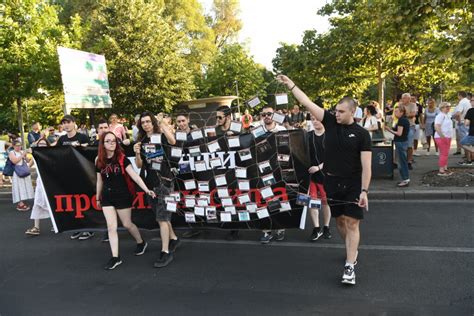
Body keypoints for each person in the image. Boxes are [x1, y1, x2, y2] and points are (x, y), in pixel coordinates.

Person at [277, 75, 371, 286]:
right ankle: (351, 248)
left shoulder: (362, 134)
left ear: (352, 112)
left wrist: (364, 191)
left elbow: (367, 166)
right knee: (340, 222)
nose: (336, 114)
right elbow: (307, 102)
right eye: (335, 111)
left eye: (341, 111)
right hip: (332, 181)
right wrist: (291, 83)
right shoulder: (329, 121)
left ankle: (349, 266)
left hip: (354, 183)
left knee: (352, 222)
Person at [96, 131, 156, 270]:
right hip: (107, 197)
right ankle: (115, 257)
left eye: (113, 140)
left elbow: (135, 176)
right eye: (108, 141)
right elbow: (99, 180)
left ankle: (140, 242)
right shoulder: (98, 160)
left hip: (123, 196)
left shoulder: (122, 159)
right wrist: (98, 196)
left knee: (127, 224)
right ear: (102, 144)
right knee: (111, 227)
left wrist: (147, 190)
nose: (111, 143)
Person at [133, 111, 179, 268]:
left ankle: (165, 252)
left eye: (148, 121)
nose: (146, 124)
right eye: (143, 122)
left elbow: (173, 141)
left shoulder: (161, 135)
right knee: (161, 215)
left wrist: (162, 125)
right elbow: (139, 165)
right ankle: (173, 238)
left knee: (162, 218)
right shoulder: (142, 140)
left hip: (165, 181)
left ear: (153, 122)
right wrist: (137, 153)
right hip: (151, 183)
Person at [56, 115, 94, 240]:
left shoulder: (82, 137)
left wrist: (81, 147)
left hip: (82, 173)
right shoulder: (62, 139)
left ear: (74, 123)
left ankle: (88, 229)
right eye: (64, 123)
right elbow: (56, 154)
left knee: (84, 201)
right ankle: (79, 227)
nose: (66, 125)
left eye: (68, 122)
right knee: (73, 201)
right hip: (69, 174)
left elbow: (89, 153)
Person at [258, 105, 287, 244]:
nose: (266, 117)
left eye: (269, 114)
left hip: (279, 170)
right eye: (263, 115)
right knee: (264, 199)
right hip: (262, 171)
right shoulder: (256, 131)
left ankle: (280, 227)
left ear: (274, 114)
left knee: (279, 198)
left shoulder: (282, 130)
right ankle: (266, 230)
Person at [214, 106, 241, 241]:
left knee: (234, 196)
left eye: (220, 117)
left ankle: (235, 227)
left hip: (236, 168)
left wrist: (236, 137)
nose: (217, 120)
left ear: (228, 117)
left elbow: (247, 143)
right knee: (223, 195)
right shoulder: (215, 130)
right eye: (216, 117)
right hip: (219, 169)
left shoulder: (238, 128)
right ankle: (228, 223)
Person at [307, 115, 332, 241]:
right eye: (313, 119)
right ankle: (316, 228)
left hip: (325, 175)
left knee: (325, 202)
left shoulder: (330, 136)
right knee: (313, 202)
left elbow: (333, 157)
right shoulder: (308, 136)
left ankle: (326, 227)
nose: (315, 121)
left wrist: (318, 167)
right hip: (311, 176)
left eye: (317, 119)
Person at [25, 138, 52, 236]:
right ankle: (36, 227)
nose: (41, 146)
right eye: (40, 144)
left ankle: (56, 223)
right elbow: (29, 165)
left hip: (49, 181)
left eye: (44, 144)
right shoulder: (35, 155)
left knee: (51, 202)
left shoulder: (50, 154)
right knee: (37, 202)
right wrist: (27, 155)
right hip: (40, 181)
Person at [385, 107, 411, 187]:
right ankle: (405, 179)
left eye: (396, 111)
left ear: (402, 112)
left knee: (401, 161)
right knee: (402, 160)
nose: (395, 113)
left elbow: (399, 133)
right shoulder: (403, 120)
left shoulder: (401, 120)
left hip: (400, 142)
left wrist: (389, 130)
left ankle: (405, 179)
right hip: (403, 141)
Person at [9, 140, 34, 211]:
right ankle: (20, 204)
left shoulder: (22, 152)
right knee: (19, 187)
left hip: (24, 170)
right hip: (17, 172)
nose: (18, 147)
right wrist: (22, 155)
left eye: (19, 145)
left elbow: (28, 161)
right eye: (17, 145)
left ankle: (23, 202)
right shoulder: (11, 152)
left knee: (25, 187)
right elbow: (14, 161)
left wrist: (26, 156)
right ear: (13, 146)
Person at [434, 102, 454, 176]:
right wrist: (442, 136)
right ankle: (441, 170)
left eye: (449, 106)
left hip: (448, 136)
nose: (448, 107)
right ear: (442, 108)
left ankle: (445, 168)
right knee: (444, 153)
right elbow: (437, 126)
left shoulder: (447, 115)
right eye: (446, 106)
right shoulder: (440, 116)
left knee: (445, 153)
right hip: (441, 137)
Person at [452, 91, 471, 158]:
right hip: (469, 122)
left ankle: (468, 159)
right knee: (468, 141)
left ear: (460, 95)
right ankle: (469, 157)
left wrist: (452, 116)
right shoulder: (469, 101)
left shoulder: (462, 102)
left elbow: (458, 113)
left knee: (464, 142)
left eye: (458, 96)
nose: (457, 97)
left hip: (462, 123)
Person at [458, 98, 474, 166]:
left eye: (472, 100)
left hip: (472, 133)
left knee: (462, 143)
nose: (470, 101)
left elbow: (466, 123)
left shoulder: (471, 110)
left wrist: (463, 120)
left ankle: (472, 151)